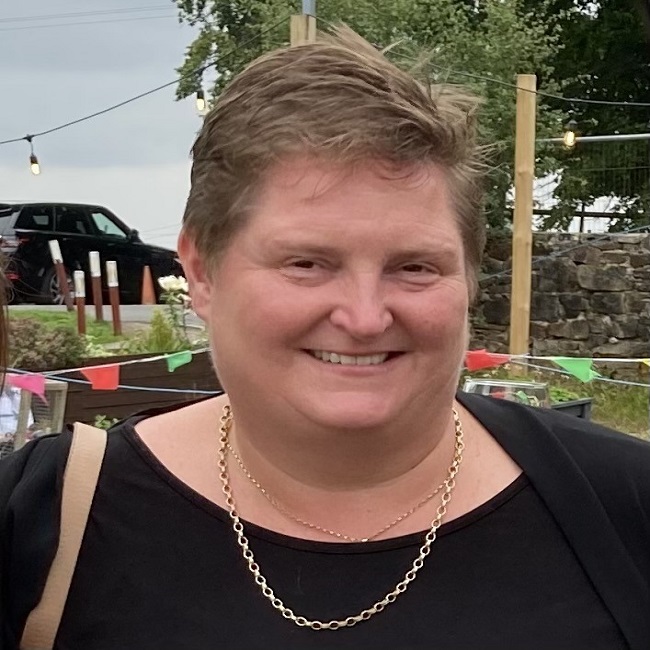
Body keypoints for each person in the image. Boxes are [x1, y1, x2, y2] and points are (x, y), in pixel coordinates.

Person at [2, 26, 650, 650]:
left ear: (469, 277)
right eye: (307, 263)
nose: (365, 317)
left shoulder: (623, 508)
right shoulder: (46, 520)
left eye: (414, 267)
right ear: (201, 272)